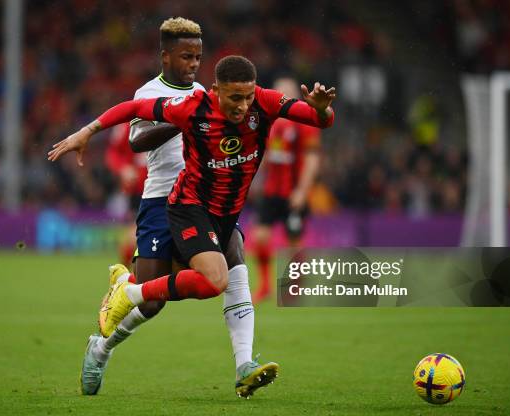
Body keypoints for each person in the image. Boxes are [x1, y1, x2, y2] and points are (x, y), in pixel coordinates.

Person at [48, 54, 335, 397]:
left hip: (227, 212)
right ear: (215, 90)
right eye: (234, 98)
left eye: (247, 97)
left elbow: (322, 120)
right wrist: (88, 130)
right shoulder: (191, 107)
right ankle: (125, 300)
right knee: (210, 282)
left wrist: (320, 109)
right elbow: (131, 109)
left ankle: (244, 365)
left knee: (236, 269)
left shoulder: (266, 101)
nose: (243, 106)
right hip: (189, 206)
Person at [64, 18, 265, 399]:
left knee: (235, 258)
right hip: (160, 199)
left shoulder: (209, 93)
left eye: (198, 57)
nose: (193, 63)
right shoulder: (151, 91)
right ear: (166, 56)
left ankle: (244, 366)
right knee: (152, 300)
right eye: (186, 56)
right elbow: (137, 139)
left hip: (205, 198)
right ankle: (101, 347)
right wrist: (184, 120)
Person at [252, 77, 322, 303]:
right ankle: (265, 286)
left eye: (286, 93)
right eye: (278, 93)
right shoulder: (268, 122)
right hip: (271, 192)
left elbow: (312, 160)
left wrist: (302, 191)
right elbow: (262, 156)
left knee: (294, 244)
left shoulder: (305, 123)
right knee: (260, 238)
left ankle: (295, 286)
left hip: (293, 193)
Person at [104, 122, 147, 265]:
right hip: (139, 191)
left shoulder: (170, 116)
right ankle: (124, 276)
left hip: (170, 187)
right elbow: (112, 153)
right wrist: (123, 169)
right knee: (136, 235)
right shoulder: (126, 126)